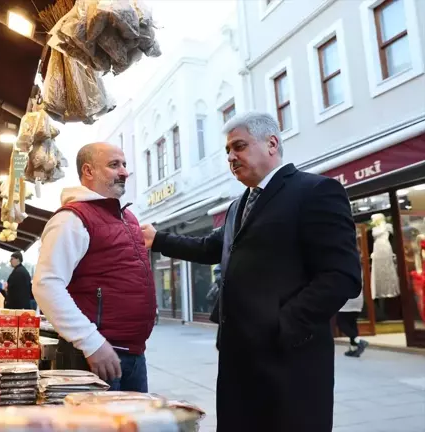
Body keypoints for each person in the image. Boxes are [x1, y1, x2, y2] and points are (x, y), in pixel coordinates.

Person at [141, 112, 361, 432]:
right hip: (237, 361)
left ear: (271, 144)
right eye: (228, 150)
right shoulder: (238, 206)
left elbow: (341, 275)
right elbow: (210, 247)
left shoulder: (316, 191)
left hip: (289, 362)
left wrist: (283, 326)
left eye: (239, 146)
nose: (231, 157)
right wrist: (158, 239)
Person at [33, 142, 156, 392]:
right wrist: (91, 343)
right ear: (88, 171)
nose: (124, 172)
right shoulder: (71, 219)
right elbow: (46, 284)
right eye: (114, 165)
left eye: (124, 164)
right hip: (94, 357)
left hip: (132, 355)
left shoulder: (126, 217)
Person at [336, 289, 369, 357]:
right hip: (358, 301)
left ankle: (358, 341)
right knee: (352, 323)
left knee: (341, 323)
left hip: (347, 301)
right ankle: (354, 348)